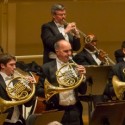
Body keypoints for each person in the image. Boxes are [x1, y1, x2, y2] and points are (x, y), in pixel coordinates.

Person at [35, 39, 87, 125]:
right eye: (66, 51)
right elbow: (38, 90)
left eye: (70, 50)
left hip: (74, 111)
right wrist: (55, 91)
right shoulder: (46, 68)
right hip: (56, 110)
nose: (69, 54)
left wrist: (83, 78)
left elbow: (83, 91)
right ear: (57, 52)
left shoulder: (75, 67)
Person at [0, 53, 35, 125]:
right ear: (2, 65)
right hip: (3, 121)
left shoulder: (18, 81)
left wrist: (29, 87)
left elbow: (28, 104)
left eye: (15, 64)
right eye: (11, 65)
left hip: (18, 122)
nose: (15, 67)